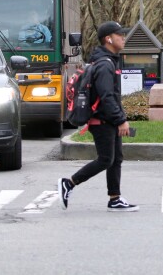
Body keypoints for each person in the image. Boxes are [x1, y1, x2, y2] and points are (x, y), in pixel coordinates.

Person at [57, 21, 138, 212]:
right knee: (105, 159)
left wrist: (118, 119)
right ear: (108, 39)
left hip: (107, 120)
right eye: (120, 35)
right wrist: (121, 120)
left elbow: (111, 96)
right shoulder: (105, 65)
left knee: (116, 158)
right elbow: (107, 96)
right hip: (101, 121)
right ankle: (69, 183)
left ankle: (115, 198)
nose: (123, 38)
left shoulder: (107, 61)